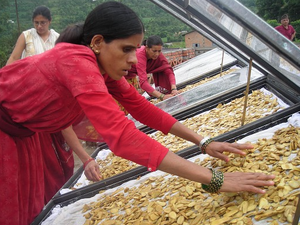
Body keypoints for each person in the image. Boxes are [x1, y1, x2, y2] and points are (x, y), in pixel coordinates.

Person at [0, 1, 275, 224]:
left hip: (25, 133)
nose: (134, 58)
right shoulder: (77, 61)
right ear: (97, 42)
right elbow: (121, 136)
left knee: (29, 206)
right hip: (6, 134)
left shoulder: (101, 66)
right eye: (127, 49)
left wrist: (202, 142)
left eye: (136, 49)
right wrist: (214, 178)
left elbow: (143, 108)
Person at [5, 5, 101, 204]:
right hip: (32, 100)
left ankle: (51, 197)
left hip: (47, 100)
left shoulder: (57, 39)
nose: (39, 26)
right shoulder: (27, 36)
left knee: (55, 159)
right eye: (36, 23)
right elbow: (14, 59)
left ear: (49, 22)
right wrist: (11, 82)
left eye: (43, 23)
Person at [127, 35, 179, 101]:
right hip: (122, 77)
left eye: (159, 51)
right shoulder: (140, 55)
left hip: (132, 78)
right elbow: (143, 82)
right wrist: (161, 96)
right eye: (154, 51)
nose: (157, 54)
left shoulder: (159, 55)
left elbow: (168, 71)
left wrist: (173, 88)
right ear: (147, 48)